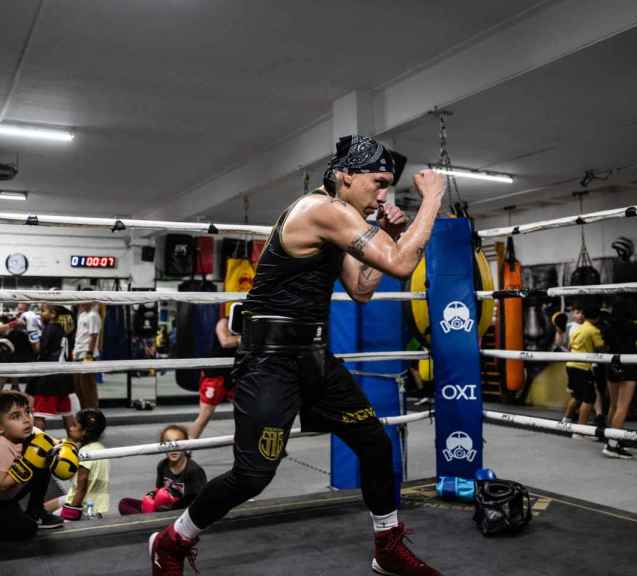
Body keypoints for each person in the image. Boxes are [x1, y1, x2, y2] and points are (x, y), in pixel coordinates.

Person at [149, 135, 445, 576]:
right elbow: (402, 265)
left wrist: (392, 233)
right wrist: (433, 198)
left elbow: (362, 289)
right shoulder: (320, 210)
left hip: (314, 357)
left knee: (374, 443)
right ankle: (172, 541)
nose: (383, 195)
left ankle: (386, 546)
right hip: (270, 360)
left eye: (388, 186)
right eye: (379, 183)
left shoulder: (340, 218)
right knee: (253, 474)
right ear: (347, 175)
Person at [0, 390, 64, 539]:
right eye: (16, 416)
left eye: (27, 412)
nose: (26, 419)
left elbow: (53, 443)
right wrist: (28, 462)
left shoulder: (30, 432)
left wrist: (65, 448)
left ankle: (35, 512)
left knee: (44, 461)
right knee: (27, 529)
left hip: (10, 497)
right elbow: (1, 485)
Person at [600, 298, 637, 459]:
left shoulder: (608, 326)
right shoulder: (633, 326)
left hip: (612, 365)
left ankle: (610, 438)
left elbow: (604, 346)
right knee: (622, 407)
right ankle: (612, 444)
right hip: (628, 367)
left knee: (613, 405)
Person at [119, 424, 206, 515]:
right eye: (168, 443)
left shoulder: (193, 471)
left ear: (186, 445)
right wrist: (151, 496)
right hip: (162, 508)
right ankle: (149, 519)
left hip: (183, 513)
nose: (173, 447)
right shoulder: (162, 465)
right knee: (124, 503)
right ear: (162, 446)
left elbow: (198, 503)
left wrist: (172, 506)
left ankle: (149, 519)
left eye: (178, 442)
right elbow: (159, 490)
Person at [45, 408, 110, 519]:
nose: (70, 428)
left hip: (82, 507)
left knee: (47, 521)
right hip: (91, 502)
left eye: (74, 425)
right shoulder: (100, 448)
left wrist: (70, 513)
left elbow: (82, 488)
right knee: (42, 508)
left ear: (84, 431)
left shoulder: (85, 453)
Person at [28, 305, 77, 431]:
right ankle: (75, 441)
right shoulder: (66, 330)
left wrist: (32, 336)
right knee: (67, 414)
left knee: (39, 414)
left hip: (49, 377)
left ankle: (38, 442)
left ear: (53, 314)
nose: (40, 313)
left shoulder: (50, 328)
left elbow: (41, 351)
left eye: (43, 311)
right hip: (64, 377)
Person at [189, 317, 239, 439]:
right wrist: (248, 339)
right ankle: (187, 446)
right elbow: (225, 342)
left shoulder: (250, 324)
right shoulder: (224, 322)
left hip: (236, 374)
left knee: (246, 413)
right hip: (216, 374)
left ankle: (252, 445)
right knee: (205, 415)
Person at [564, 303, 605, 436]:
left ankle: (566, 421)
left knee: (577, 396)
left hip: (571, 365)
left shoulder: (577, 328)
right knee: (589, 398)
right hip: (582, 367)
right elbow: (601, 348)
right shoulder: (593, 330)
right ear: (597, 317)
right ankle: (580, 431)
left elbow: (569, 346)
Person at [73, 301, 102, 409]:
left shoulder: (93, 315)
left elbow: (94, 336)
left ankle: (93, 412)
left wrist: (89, 355)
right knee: (78, 387)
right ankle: (84, 412)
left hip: (87, 354)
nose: (81, 303)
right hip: (78, 353)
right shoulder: (82, 315)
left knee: (88, 387)